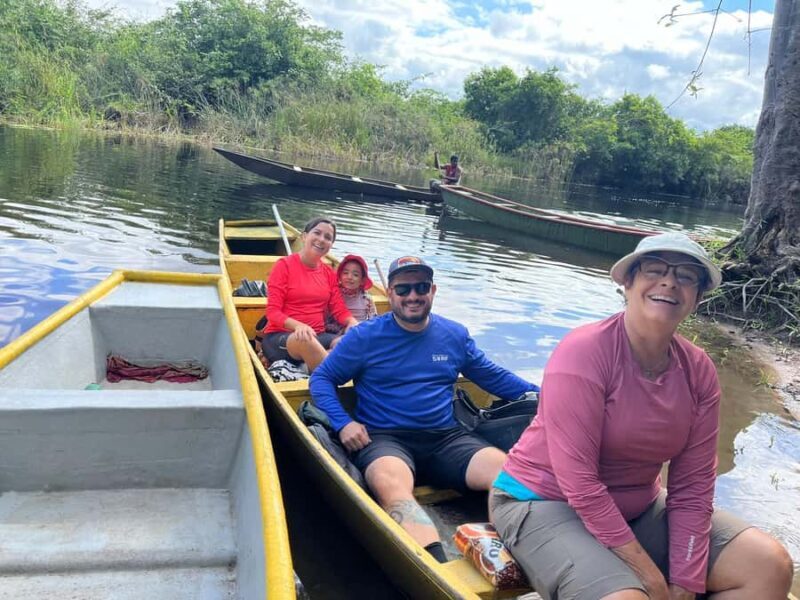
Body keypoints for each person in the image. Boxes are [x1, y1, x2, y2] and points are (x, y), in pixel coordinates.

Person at [490, 232, 793, 600]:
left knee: (768, 566)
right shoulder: (585, 352)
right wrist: (650, 579)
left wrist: (684, 580)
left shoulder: (698, 370)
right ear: (628, 283)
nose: (669, 281)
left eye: (685, 276)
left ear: (697, 297)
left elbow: (693, 486)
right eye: (654, 269)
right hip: (545, 501)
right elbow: (580, 483)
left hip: (638, 508)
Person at [310, 256, 538, 563]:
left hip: (446, 437)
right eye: (403, 289)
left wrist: (549, 397)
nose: (413, 296)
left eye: (421, 287)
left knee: (509, 472)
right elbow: (323, 378)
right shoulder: (364, 337)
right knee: (392, 485)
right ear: (390, 293)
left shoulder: (454, 335)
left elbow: (495, 377)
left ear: (433, 290)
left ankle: (523, 557)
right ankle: (438, 571)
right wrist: (343, 423)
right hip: (384, 438)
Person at [261, 217, 358, 373]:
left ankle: (311, 365)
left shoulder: (328, 273)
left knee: (354, 341)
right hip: (282, 337)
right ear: (304, 236)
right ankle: (329, 376)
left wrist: (352, 322)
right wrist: (298, 326)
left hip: (318, 335)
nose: (321, 239)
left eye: (328, 237)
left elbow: (339, 309)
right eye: (317, 233)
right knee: (306, 340)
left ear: (331, 245)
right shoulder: (283, 266)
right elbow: (273, 313)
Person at [325, 254, 377, 335]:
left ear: (362, 280)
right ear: (340, 276)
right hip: (334, 334)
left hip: (359, 333)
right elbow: (326, 321)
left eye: (355, 275)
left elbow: (373, 321)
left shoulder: (367, 299)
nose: (349, 277)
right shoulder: (334, 294)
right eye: (345, 273)